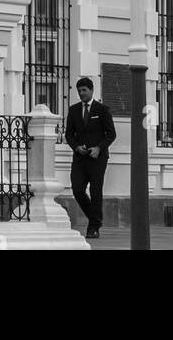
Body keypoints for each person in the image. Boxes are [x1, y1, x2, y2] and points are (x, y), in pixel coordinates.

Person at [65, 76, 116, 239]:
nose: (81, 94)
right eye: (79, 91)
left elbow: (111, 134)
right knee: (78, 190)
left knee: (95, 191)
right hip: (80, 158)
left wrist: (99, 148)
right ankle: (95, 218)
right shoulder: (73, 110)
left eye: (84, 90)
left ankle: (93, 227)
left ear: (92, 90)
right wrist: (76, 147)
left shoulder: (102, 110)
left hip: (97, 159)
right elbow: (68, 135)